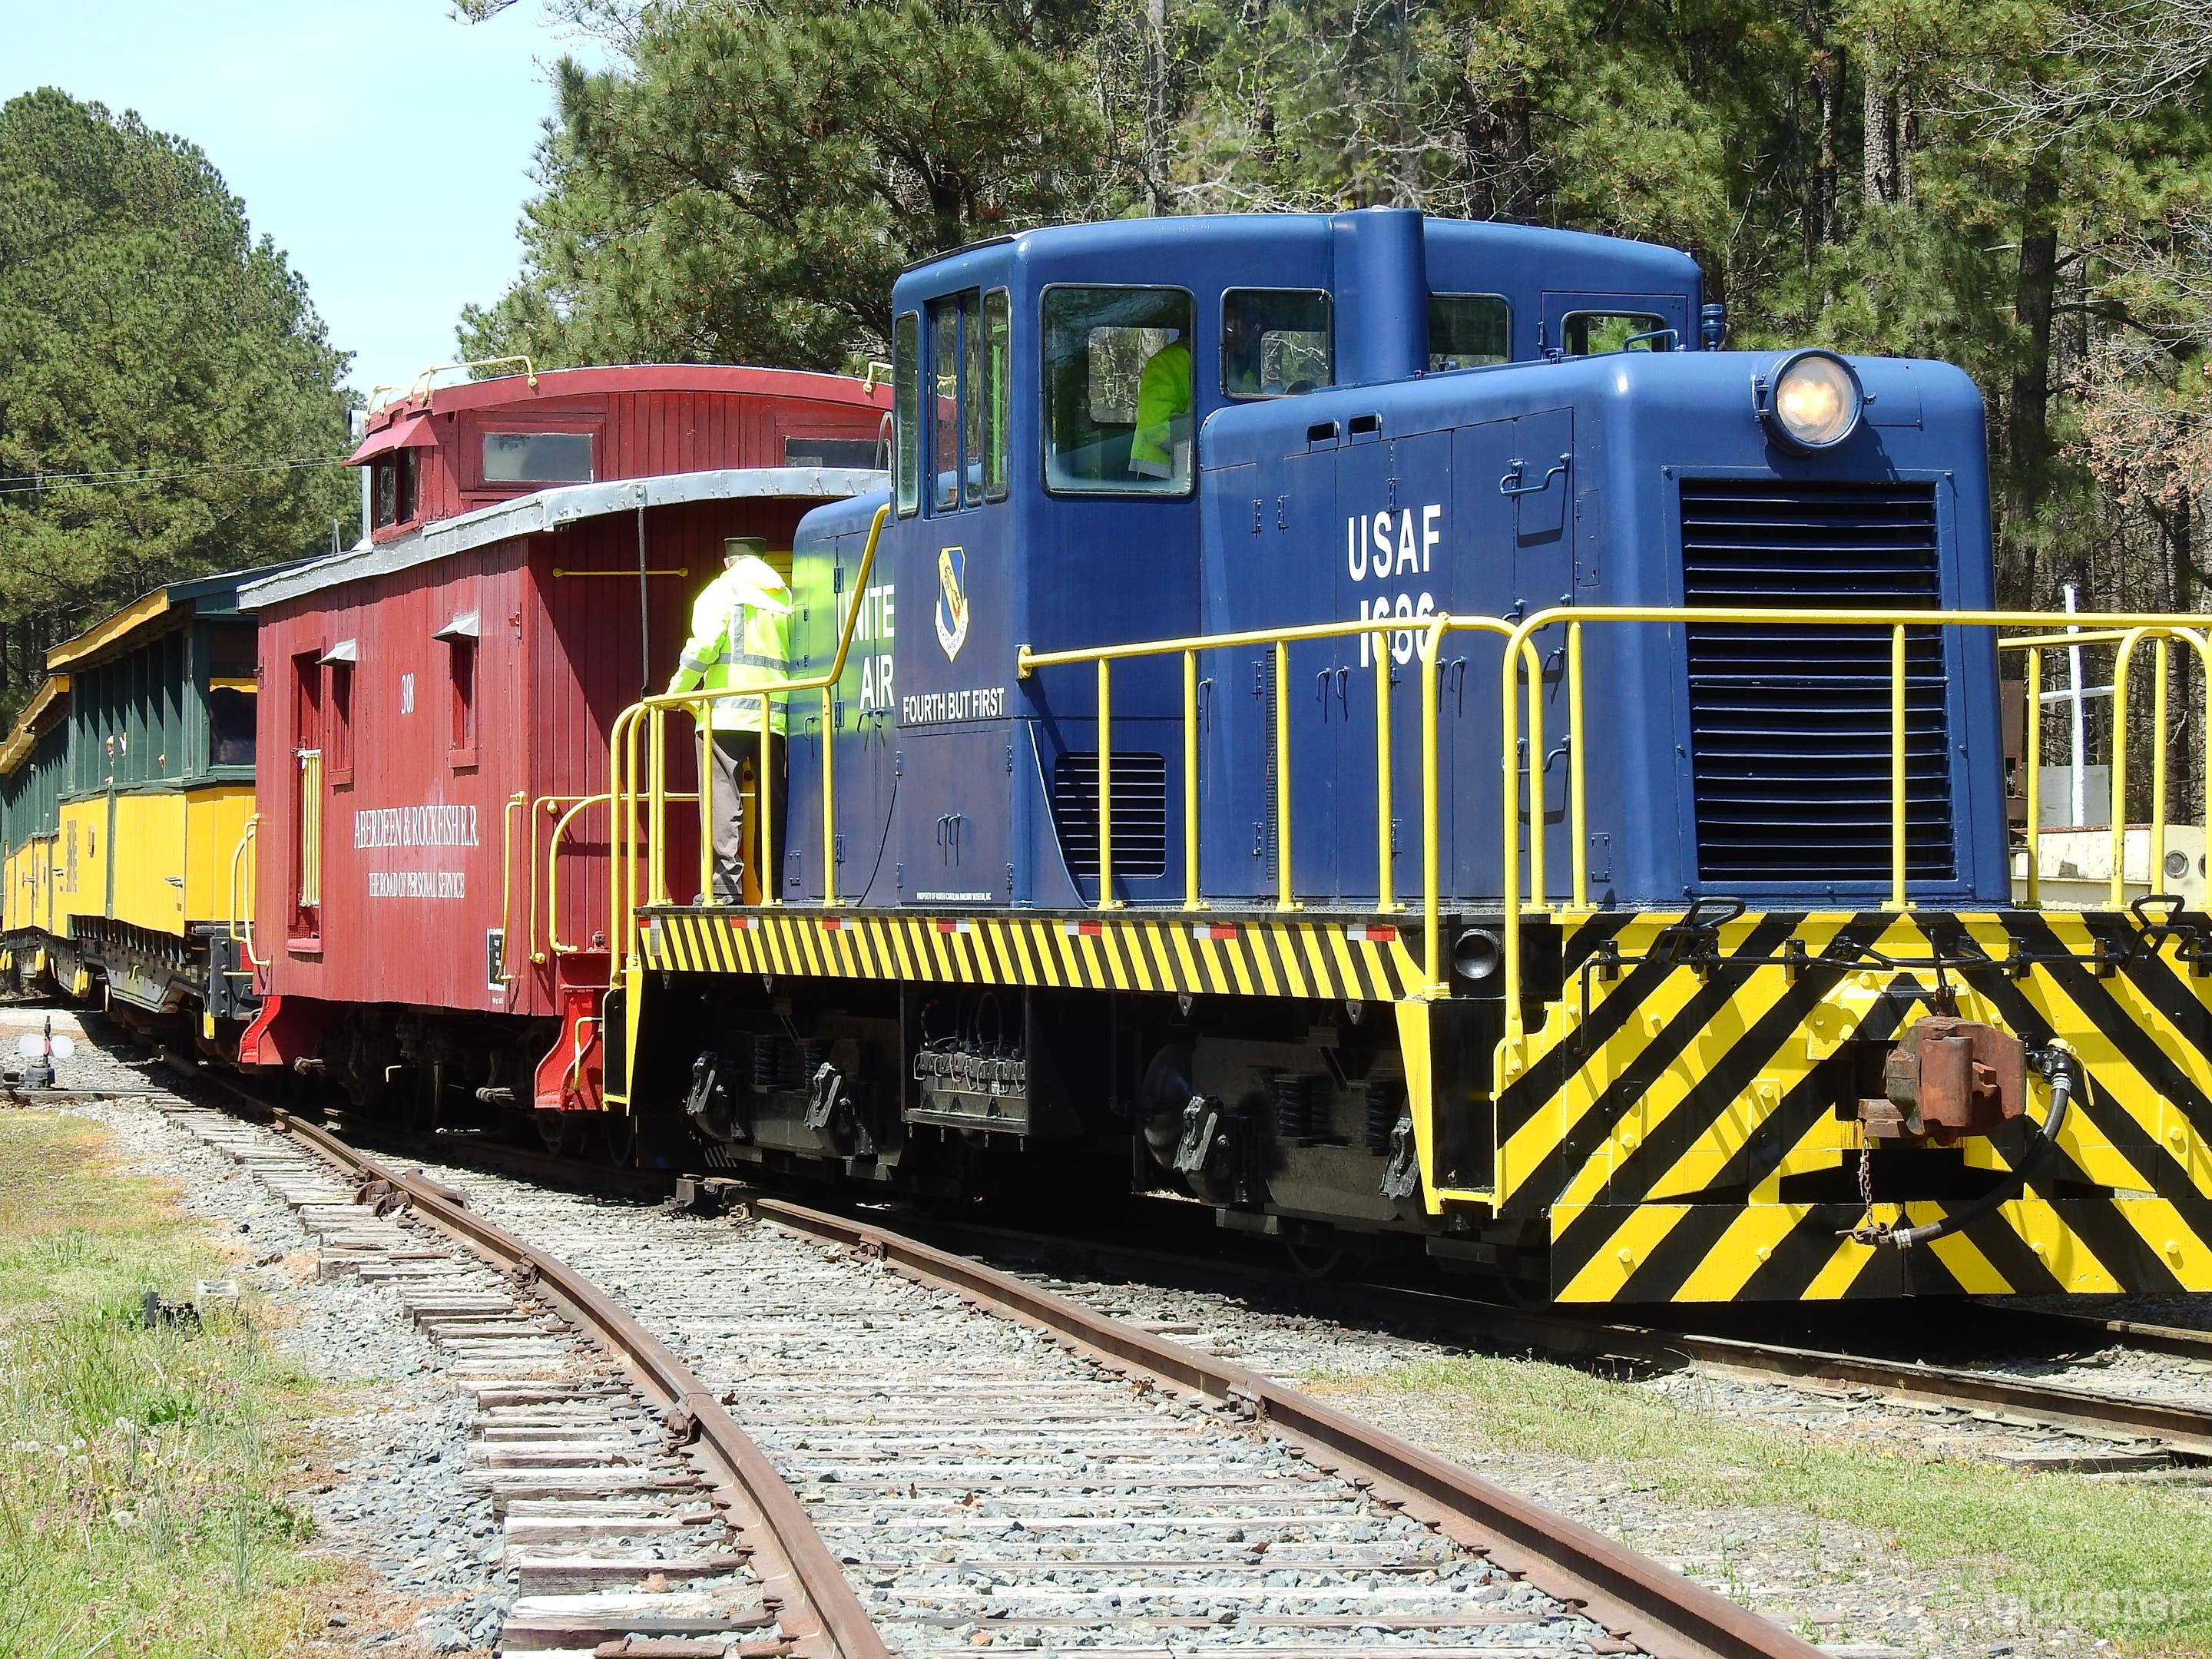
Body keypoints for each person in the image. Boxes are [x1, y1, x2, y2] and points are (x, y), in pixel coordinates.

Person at [668, 535, 792, 902]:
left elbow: (703, 647)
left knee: (723, 799)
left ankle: (725, 887)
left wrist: (676, 693)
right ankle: (775, 886)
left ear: (728, 562)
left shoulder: (719, 592)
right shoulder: (784, 597)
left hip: (724, 711)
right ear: (762, 560)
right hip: (774, 715)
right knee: (772, 802)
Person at [1128, 334, 1191, 481]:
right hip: (1158, 476)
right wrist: (1193, 455)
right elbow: (1155, 424)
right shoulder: (1168, 361)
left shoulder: (1240, 365)